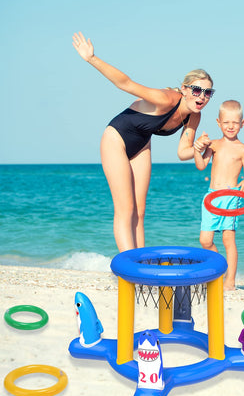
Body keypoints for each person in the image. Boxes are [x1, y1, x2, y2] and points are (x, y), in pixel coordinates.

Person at [72, 32, 214, 252]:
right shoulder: (165, 98)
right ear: (185, 89)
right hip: (116, 138)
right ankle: (129, 265)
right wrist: (92, 58)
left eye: (207, 93)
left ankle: (140, 260)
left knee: (139, 210)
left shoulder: (194, 116)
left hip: (141, 144)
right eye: (197, 90)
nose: (202, 96)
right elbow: (126, 83)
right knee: (125, 208)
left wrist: (202, 149)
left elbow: (183, 152)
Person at [194, 100, 244, 290]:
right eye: (226, 122)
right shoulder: (213, 145)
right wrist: (197, 149)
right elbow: (201, 165)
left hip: (231, 197)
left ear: (242, 124)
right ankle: (218, 270)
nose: (230, 126)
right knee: (205, 240)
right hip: (212, 196)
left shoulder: (243, 149)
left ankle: (230, 281)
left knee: (229, 240)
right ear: (219, 122)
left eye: (235, 123)